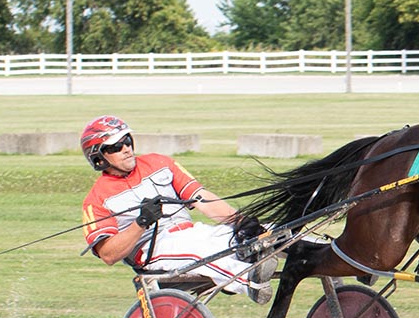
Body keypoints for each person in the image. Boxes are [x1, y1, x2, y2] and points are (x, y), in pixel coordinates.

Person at [79, 115, 276, 304]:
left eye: (128, 141)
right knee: (200, 252)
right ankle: (250, 280)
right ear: (99, 157)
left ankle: (298, 251)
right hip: (155, 251)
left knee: (254, 232)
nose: (127, 149)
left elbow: (201, 198)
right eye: (116, 146)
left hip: (191, 232)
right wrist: (141, 222)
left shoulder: (159, 163)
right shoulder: (96, 200)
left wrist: (239, 222)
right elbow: (108, 255)